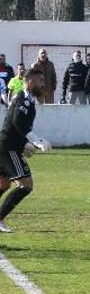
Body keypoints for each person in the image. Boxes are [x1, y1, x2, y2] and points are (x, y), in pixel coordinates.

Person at [0, 72, 47, 233]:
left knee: (3, 184)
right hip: (8, 148)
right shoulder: (23, 98)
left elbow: (13, 124)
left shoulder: (27, 99)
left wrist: (24, 144)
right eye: (40, 81)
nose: (43, 84)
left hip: (7, 145)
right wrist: (35, 140)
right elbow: (17, 121)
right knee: (26, 185)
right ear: (29, 81)